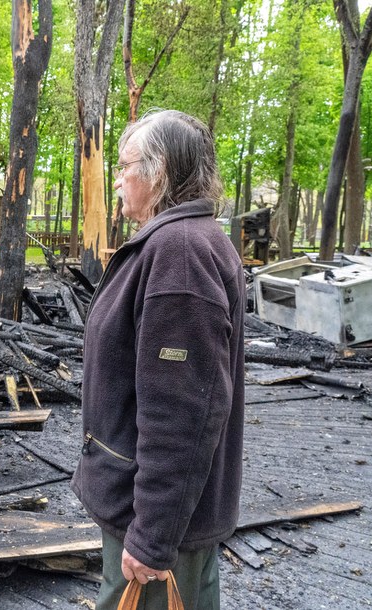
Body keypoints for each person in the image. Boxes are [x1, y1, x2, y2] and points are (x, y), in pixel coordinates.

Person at [71, 109, 245, 610]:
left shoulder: (181, 253)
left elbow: (183, 414)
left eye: (125, 166)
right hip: (150, 509)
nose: (118, 179)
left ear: (159, 171)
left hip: (154, 520)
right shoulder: (177, 242)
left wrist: (152, 536)